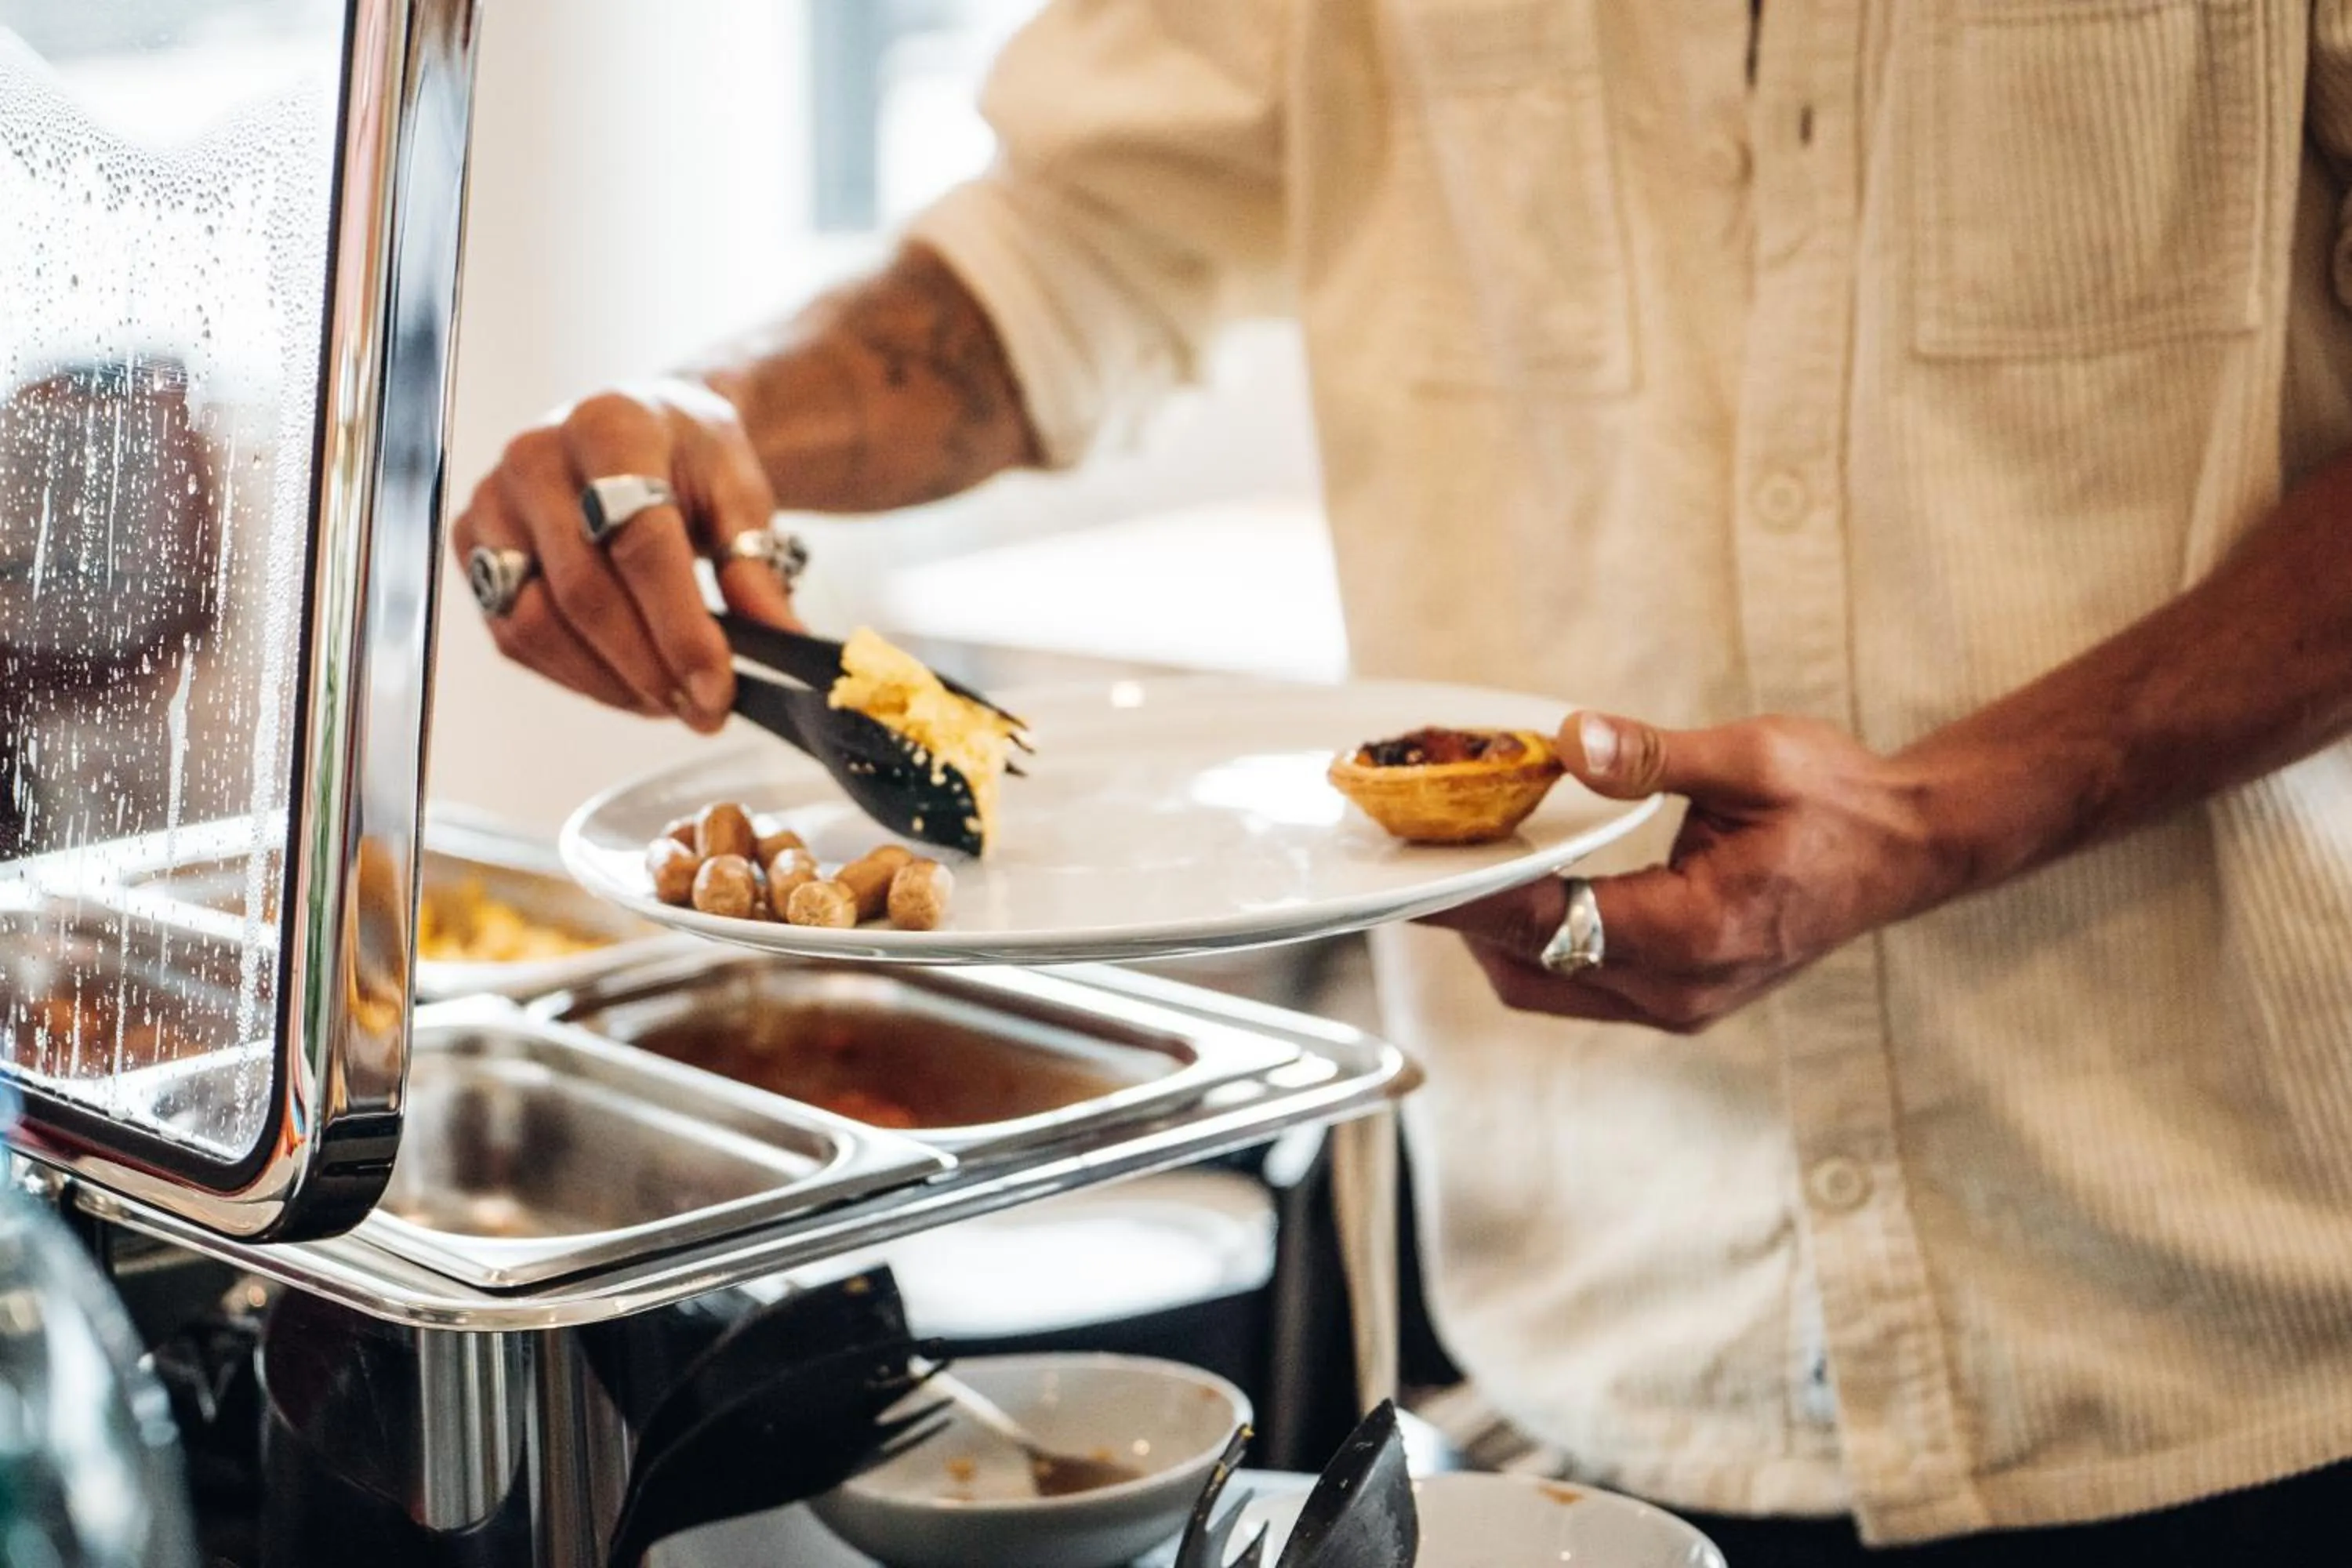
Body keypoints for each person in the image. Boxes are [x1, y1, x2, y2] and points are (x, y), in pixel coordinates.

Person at [451, 3, 2352, 1559]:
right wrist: (711, 421)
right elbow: (1065, 257)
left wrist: (1948, 818)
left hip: (2230, 1336)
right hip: (1588, 1323)